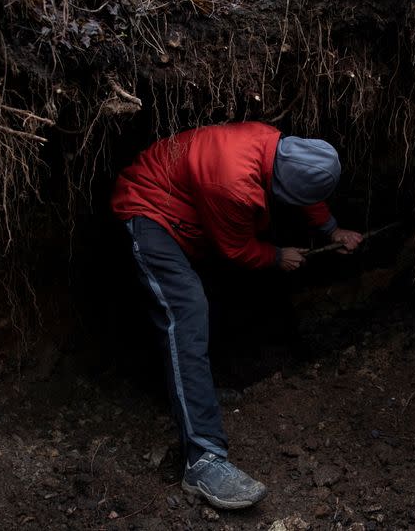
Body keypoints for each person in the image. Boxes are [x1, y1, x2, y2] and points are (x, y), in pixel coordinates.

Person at [111, 121, 362, 509]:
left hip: (188, 212)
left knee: (209, 297)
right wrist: (277, 256)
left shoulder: (278, 146)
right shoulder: (232, 183)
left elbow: (304, 186)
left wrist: (332, 230)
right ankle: (202, 459)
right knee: (187, 309)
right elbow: (235, 249)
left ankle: (199, 395)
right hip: (151, 212)